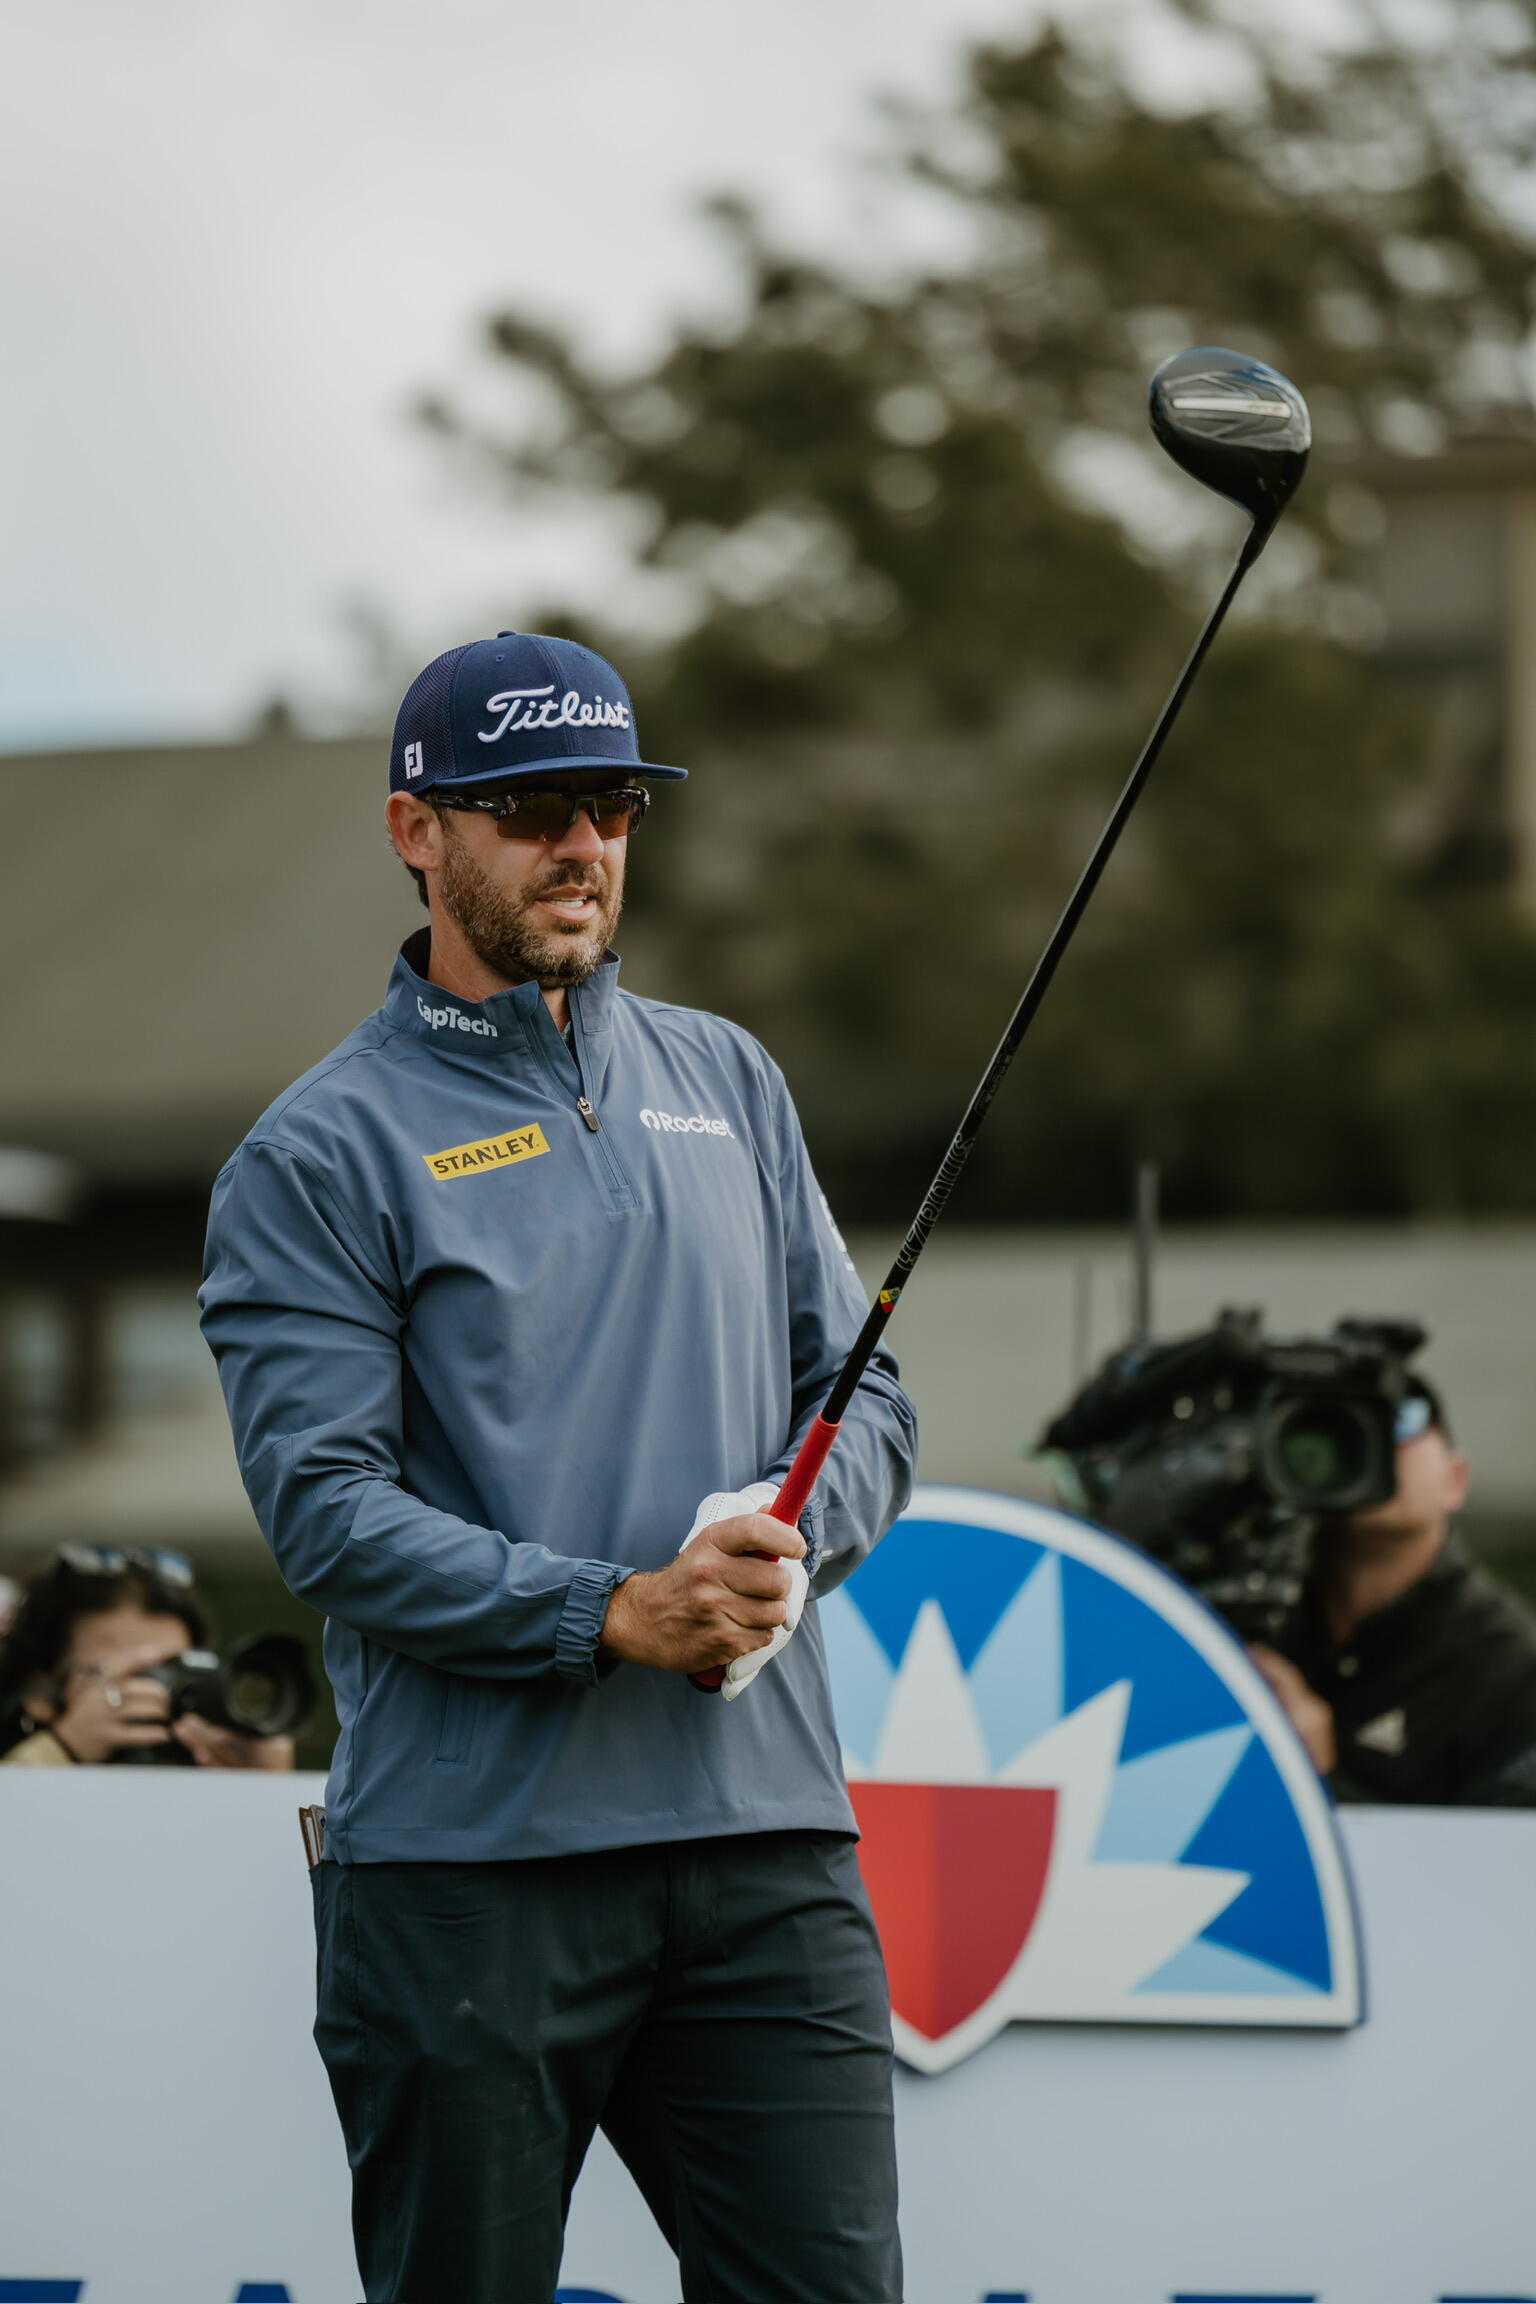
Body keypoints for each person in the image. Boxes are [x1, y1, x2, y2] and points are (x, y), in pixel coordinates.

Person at [199, 631, 917, 2304]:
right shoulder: (316, 1148)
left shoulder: (730, 1077)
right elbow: (329, 1512)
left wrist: (795, 1535)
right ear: (415, 829)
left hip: (765, 1851)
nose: (580, 841)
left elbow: (862, 1396)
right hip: (467, 1880)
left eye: (609, 802)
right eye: (526, 806)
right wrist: (614, 1612)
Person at [1250, 1377, 1536, 1805]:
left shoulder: (1509, 1669)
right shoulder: (1254, 1616)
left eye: (1403, 1427)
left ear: (1455, 1479)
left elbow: (1501, 1863)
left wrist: (1321, 1775)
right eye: (1340, 1433)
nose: (1374, 1449)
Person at [0, 1546, 295, 1769]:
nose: (156, 1693)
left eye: (175, 1670)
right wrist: (63, 1748)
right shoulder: (24, 1779)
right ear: (39, 1695)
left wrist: (266, 1786)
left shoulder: (214, 1773)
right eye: (133, 1674)